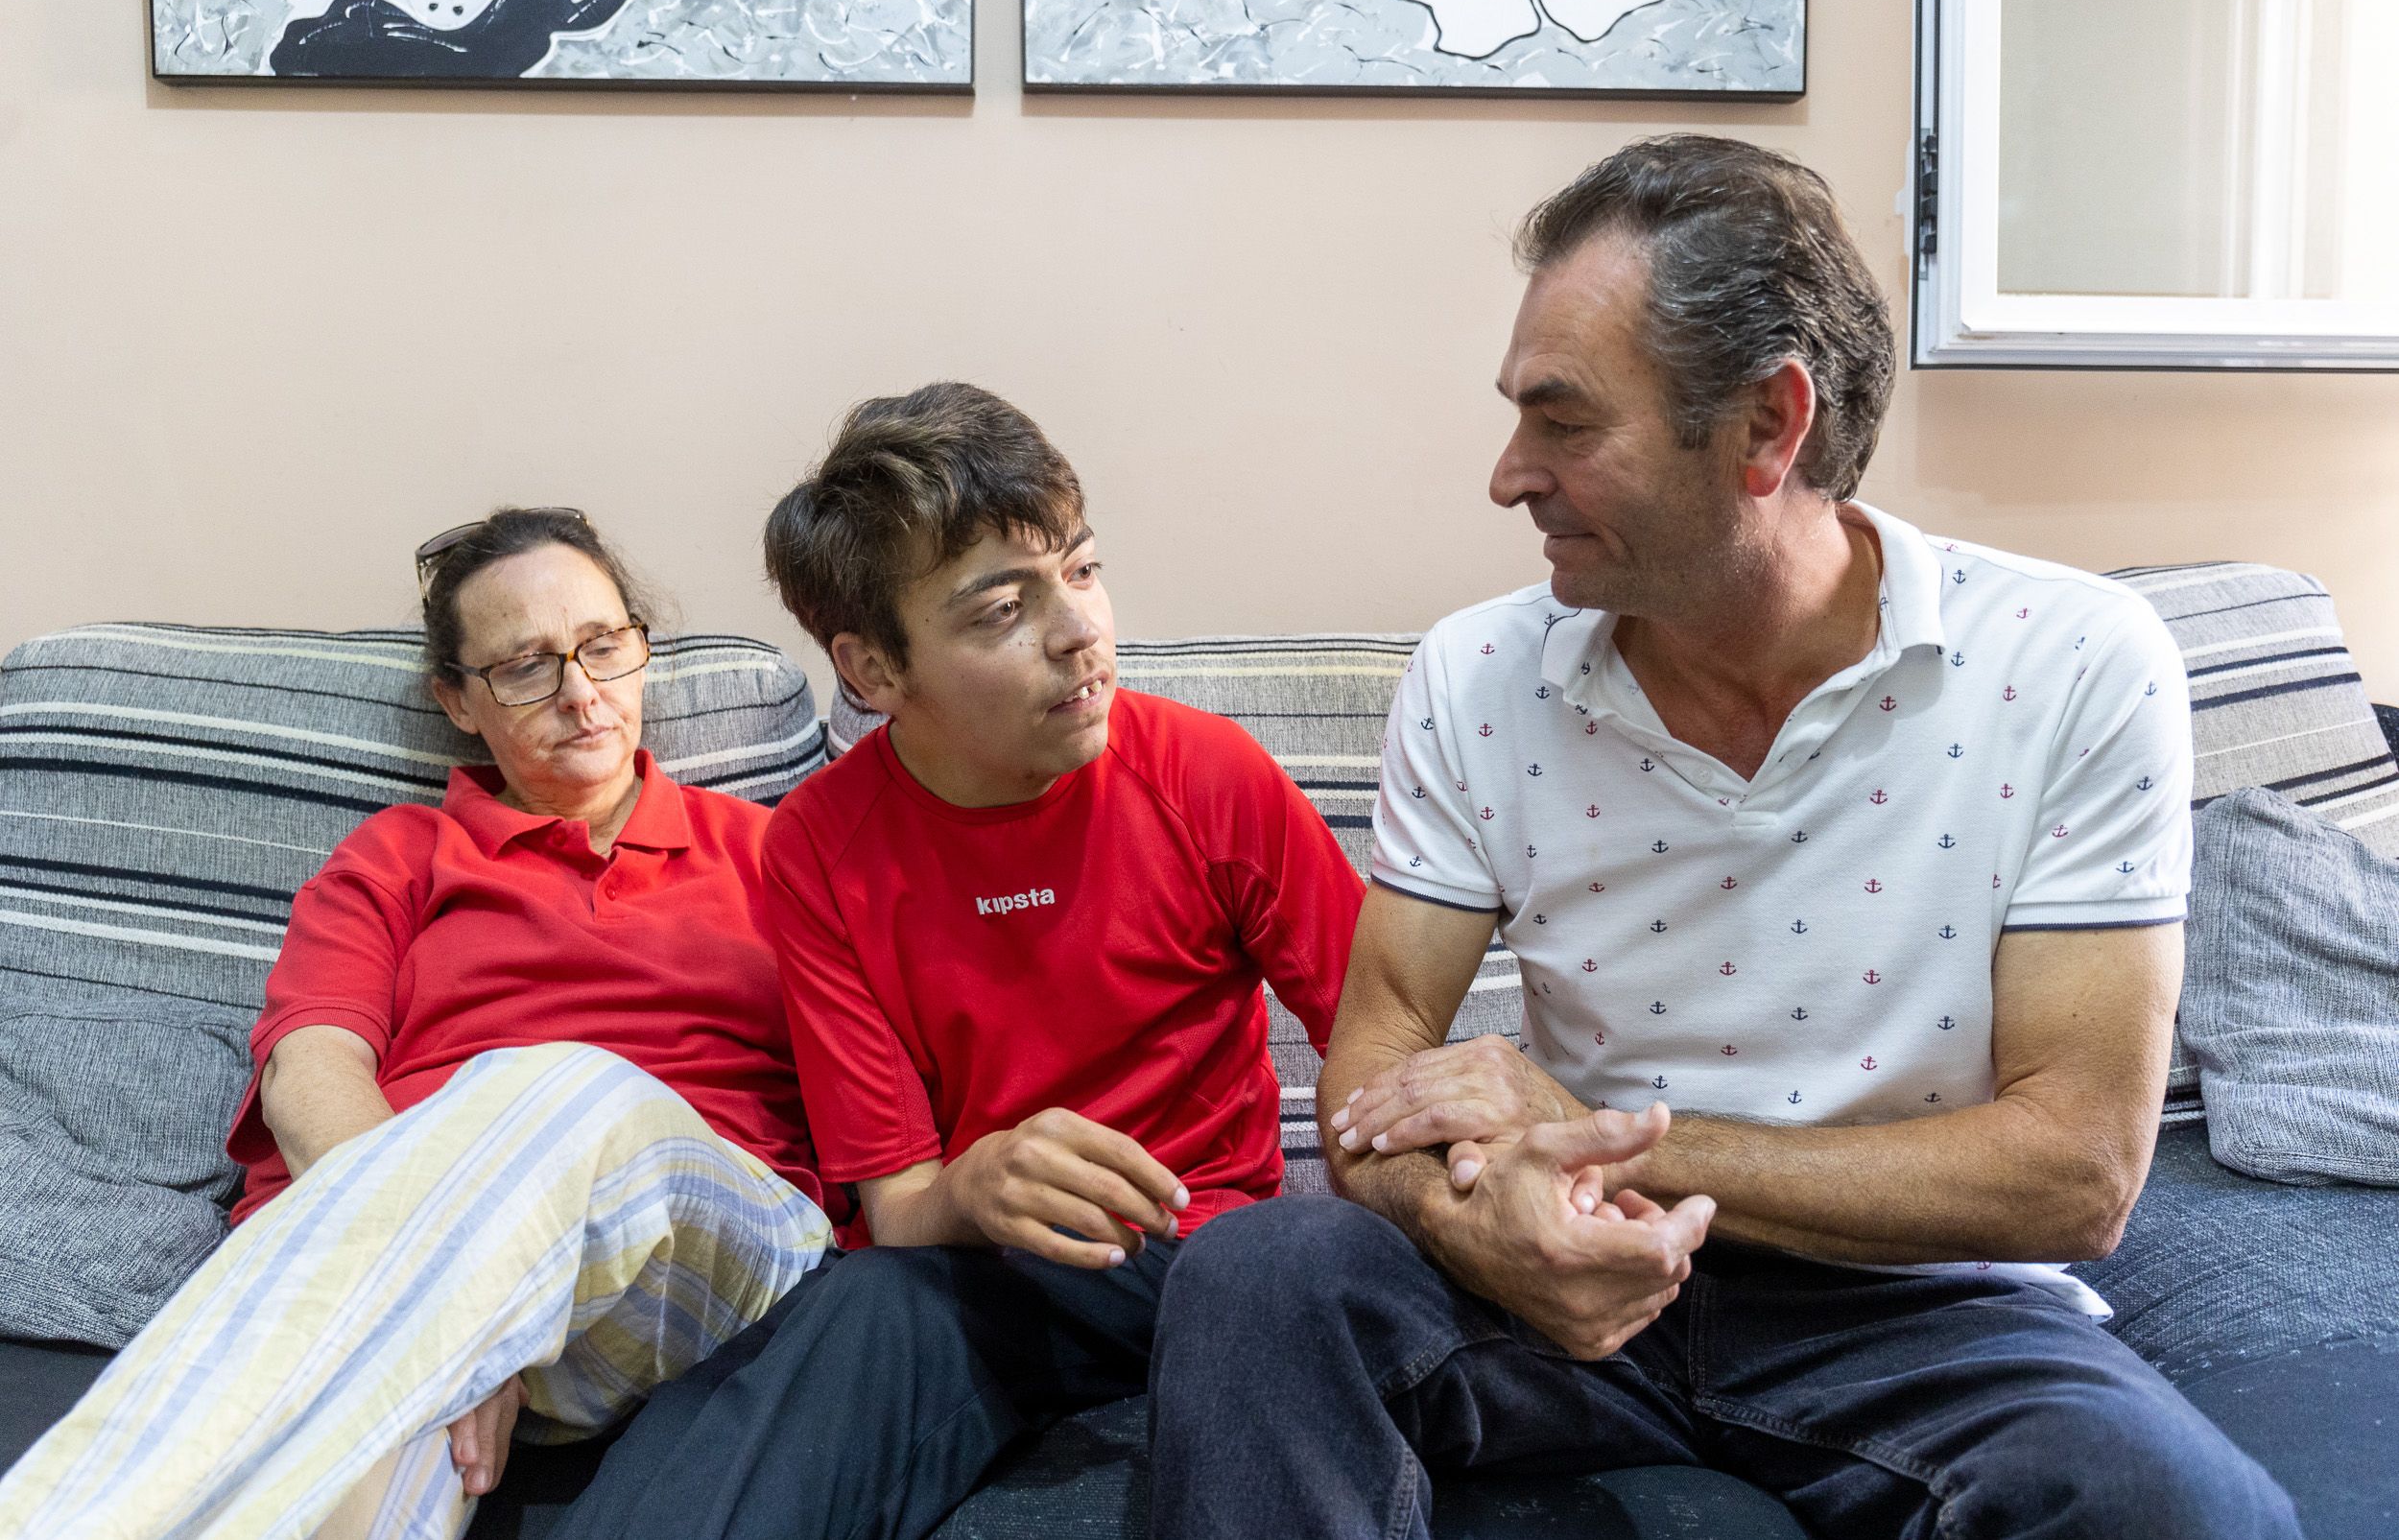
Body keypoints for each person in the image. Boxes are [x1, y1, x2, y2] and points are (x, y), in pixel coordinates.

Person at [1148, 136, 2303, 1539]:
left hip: (1910, 1302)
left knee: (2174, 1505)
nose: (1509, 475)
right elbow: (1374, 1055)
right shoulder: (1477, 674)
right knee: (1261, 1272)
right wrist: (1475, 1221)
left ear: (1767, 423)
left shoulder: (2070, 662)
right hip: (1552, 1269)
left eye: (1565, 423)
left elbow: (2077, 1169)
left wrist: (1602, 1142)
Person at [544, 381, 1365, 1540]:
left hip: (1203, 1260)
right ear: (874, 670)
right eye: (1002, 610)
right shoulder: (818, 849)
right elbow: (900, 1203)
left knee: (1287, 1264)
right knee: (842, 1318)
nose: (1080, 631)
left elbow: (1385, 1054)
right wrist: (974, 1186)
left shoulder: (1206, 774)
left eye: (1082, 569)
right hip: (982, 1277)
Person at [0, 508, 838, 1540]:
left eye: (603, 645)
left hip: (696, 1259)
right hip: (408, 1278)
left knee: (562, 1087)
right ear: (457, 700)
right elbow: (310, 1069)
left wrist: (450, 1295)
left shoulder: (778, 853)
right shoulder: (397, 854)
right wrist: (461, 1302)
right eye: (525, 667)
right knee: (341, 1483)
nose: (582, 693)